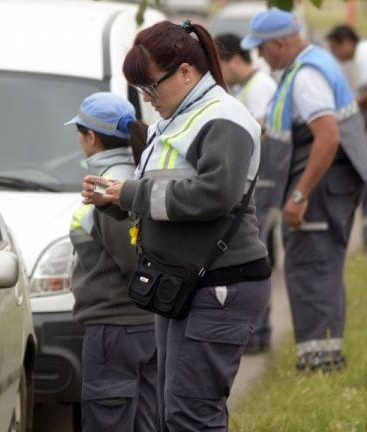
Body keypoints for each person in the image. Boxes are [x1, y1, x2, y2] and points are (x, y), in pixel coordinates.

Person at [81, 20, 272, 431]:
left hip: (217, 284)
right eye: (140, 91)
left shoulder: (222, 117)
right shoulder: (176, 119)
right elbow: (164, 195)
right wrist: (114, 200)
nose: (148, 100)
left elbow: (214, 195)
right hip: (181, 283)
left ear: (186, 72)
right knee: (176, 413)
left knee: (190, 415)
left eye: (152, 87)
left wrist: (128, 194)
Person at [241, 8, 367, 372]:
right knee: (317, 269)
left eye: (262, 48)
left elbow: (327, 137)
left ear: (280, 42)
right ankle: (321, 358)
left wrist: (299, 194)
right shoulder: (305, 67)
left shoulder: (307, 75)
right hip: (327, 190)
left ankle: (321, 363)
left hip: (319, 193)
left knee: (312, 270)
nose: (259, 56)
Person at [65, 92, 156, 431]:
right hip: (147, 324)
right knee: (147, 421)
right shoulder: (140, 169)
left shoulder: (108, 185)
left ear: (90, 137)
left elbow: (134, 258)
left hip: (116, 327)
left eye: (79, 132)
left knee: (110, 421)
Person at [216, 32, 280, 354]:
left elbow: (261, 134)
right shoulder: (250, 88)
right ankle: (257, 335)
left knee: (256, 254)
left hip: (263, 183)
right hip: (260, 183)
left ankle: (258, 336)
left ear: (231, 59)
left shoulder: (261, 88)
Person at [326, 24, 367, 246]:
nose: (334, 54)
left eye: (334, 48)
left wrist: (347, 107)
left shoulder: (362, 54)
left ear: (346, 42)